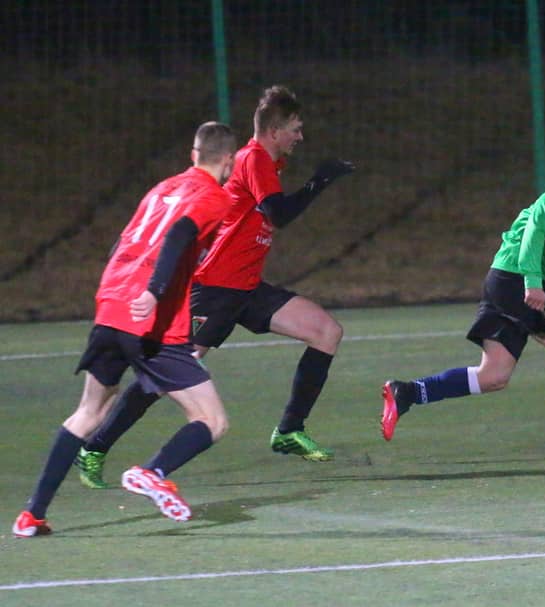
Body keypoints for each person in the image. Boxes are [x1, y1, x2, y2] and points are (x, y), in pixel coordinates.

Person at [74, 85, 355, 489]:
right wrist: (319, 181)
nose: (300, 136)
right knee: (163, 376)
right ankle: (95, 448)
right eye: (295, 128)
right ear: (274, 131)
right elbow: (278, 214)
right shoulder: (254, 158)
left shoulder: (268, 163)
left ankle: (289, 430)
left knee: (326, 332)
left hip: (247, 287)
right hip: (215, 288)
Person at [12, 122, 238, 536]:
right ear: (228, 160)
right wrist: (154, 291)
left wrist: (122, 292)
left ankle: (32, 515)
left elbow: (123, 243)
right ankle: (152, 472)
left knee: (88, 413)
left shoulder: (161, 189)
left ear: (193, 155)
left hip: (111, 307)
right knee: (212, 420)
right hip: (150, 321)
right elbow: (180, 233)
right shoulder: (214, 197)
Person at [381, 136, 545, 458]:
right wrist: (533, 283)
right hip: (516, 276)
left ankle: (406, 392)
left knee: (493, 376)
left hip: (508, 278)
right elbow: (535, 229)